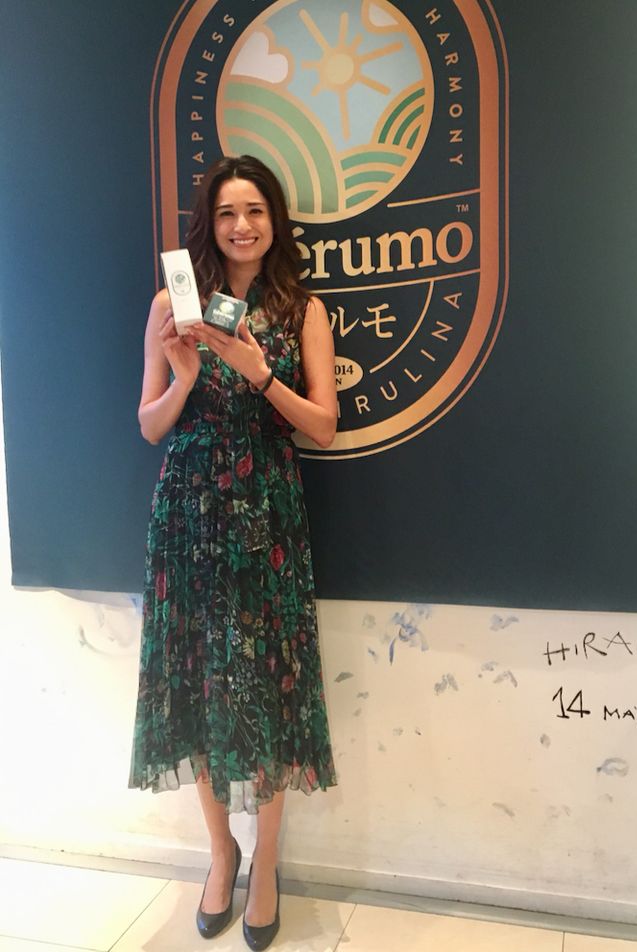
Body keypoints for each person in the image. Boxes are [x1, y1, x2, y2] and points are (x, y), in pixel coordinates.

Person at [128, 155, 338, 950]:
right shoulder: (171, 306)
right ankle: (221, 853)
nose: (241, 226)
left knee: (268, 691)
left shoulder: (303, 311)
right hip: (187, 516)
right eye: (226, 213)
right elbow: (150, 425)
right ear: (207, 225)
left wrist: (259, 374)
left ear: (274, 220)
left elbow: (324, 428)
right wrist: (184, 377)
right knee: (198, 686)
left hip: (266, 521)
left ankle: (268, 864)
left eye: (254, 211)